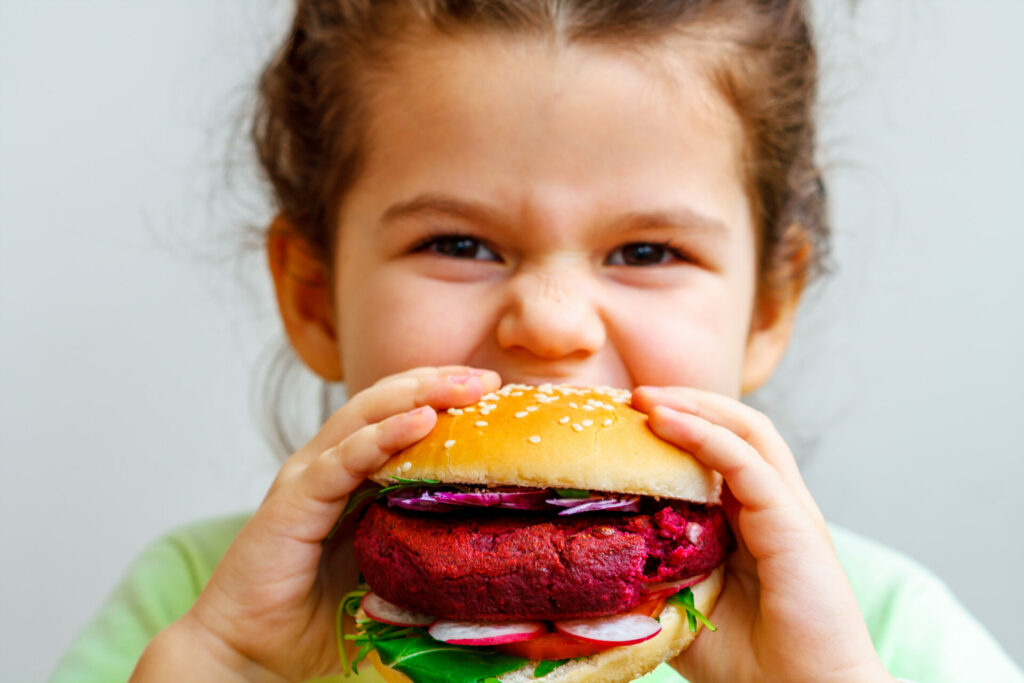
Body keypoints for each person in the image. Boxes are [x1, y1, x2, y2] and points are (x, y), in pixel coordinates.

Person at [51, 1, 1023, 682]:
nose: (552, 324)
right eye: (459, 243)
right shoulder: (190, 605)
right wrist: (229, 667)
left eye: (646, 249)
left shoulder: (887, 627)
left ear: (769, 305)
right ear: (313, 295)